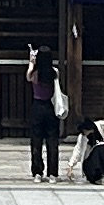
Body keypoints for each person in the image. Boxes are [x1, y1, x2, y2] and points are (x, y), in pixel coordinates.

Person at [23, 48, 64, 181]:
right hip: (50, 107)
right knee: (52, 140)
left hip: (37, 106)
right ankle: (53, 173)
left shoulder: (34, 73)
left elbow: (28, 77)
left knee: (36, 139)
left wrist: (31, 62)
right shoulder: (54, 72)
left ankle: (37, 173)